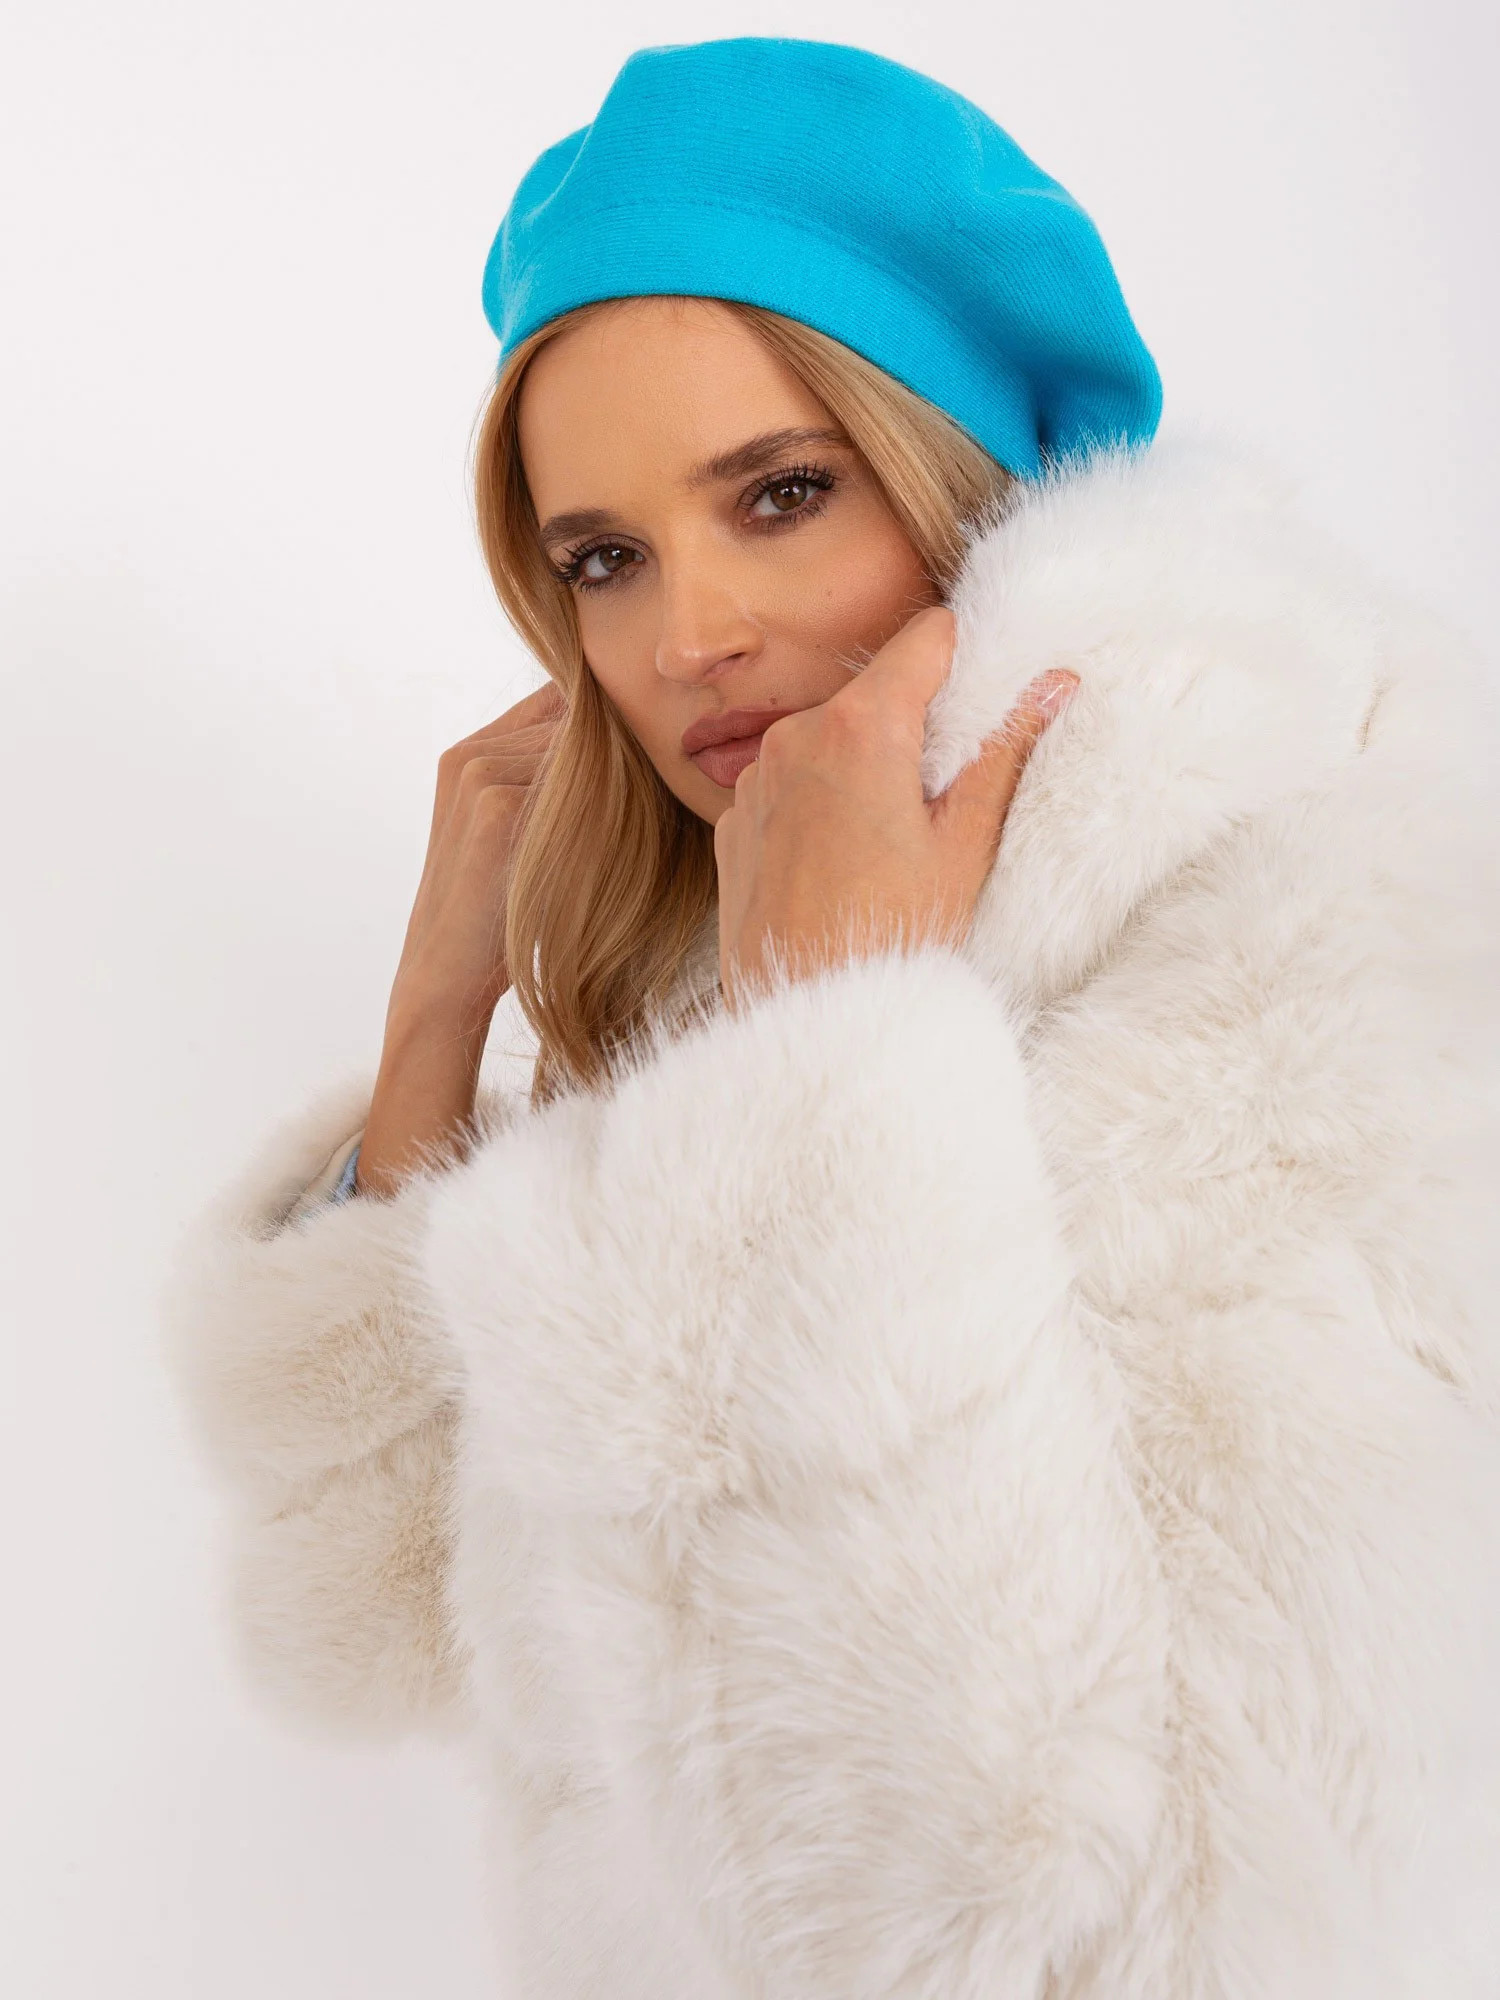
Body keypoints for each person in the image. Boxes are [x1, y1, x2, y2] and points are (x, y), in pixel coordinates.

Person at [164, 35, 1500, 1999]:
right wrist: (444, 1014)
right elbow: (390, 1620)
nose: (686, 634)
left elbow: (1126, 1940)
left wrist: (825, 1068)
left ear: (969, 471)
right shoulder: (760, 949)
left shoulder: (1293, 900)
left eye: (782, 493)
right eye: (603, 559)